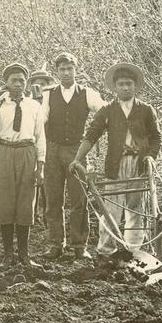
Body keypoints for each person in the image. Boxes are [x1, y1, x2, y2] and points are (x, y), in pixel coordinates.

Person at [70, 62, 160, 256]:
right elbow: (91, 135)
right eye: (121, 84)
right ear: (115, 87)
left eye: (129, 83)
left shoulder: (145, 110)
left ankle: (134, 250)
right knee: (111, 208)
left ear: (135, 86)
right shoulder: (108, 110)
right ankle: (106, 250)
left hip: (139, 164)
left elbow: (156, 137)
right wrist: (77, 159)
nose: (125, 87)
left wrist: (151, 156)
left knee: (137, 209)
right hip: (115, 165)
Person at [0, 63, 47, 268]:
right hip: (5, 153)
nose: (18, 84)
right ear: (6, 83)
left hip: (27, 152)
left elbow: (40, 137)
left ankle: (25, 255)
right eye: (13, 80)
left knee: (26, 203)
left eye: (21, 80)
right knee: (6, 203)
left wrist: (40, 166)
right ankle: (8, 254)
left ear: (26, 83)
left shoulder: (34, 106)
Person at [41, 52, 105, 260]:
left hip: (77, 152)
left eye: (70, 69)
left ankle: (79, 246)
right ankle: (55, 244)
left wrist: (92, 135)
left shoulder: (87, 93)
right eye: (62, 69)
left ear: (76, 70)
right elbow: (41, 119)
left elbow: (104, 112)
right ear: (57, 72)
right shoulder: (48, 94)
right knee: (53, 198)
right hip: (53, 150)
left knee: (79, 199)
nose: (66, 73)